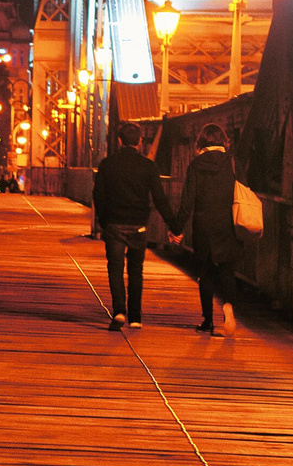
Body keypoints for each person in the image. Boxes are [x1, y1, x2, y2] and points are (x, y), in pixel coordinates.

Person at [92, 122, 179, 331]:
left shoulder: (107, 164)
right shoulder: (148, 166)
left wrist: (104, 222)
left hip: (114, 223)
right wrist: (175, 226)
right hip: (138, 225)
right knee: (135, 270)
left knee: (115, 268)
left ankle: (119, 311)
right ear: (140, 142)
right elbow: (160, 199)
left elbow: (98, 195)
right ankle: (136, 316)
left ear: (119, 141)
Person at [171, 123, 240, 336]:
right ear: (224, 141)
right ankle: (228, 307)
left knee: (206, 273)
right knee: (227, 270)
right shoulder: (232, 163)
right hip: (228, 224)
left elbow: (187, 202)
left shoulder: (196, 165)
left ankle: (208, 320)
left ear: (201, 142)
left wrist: (176, 228)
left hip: (203, 226)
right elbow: (243, 190)